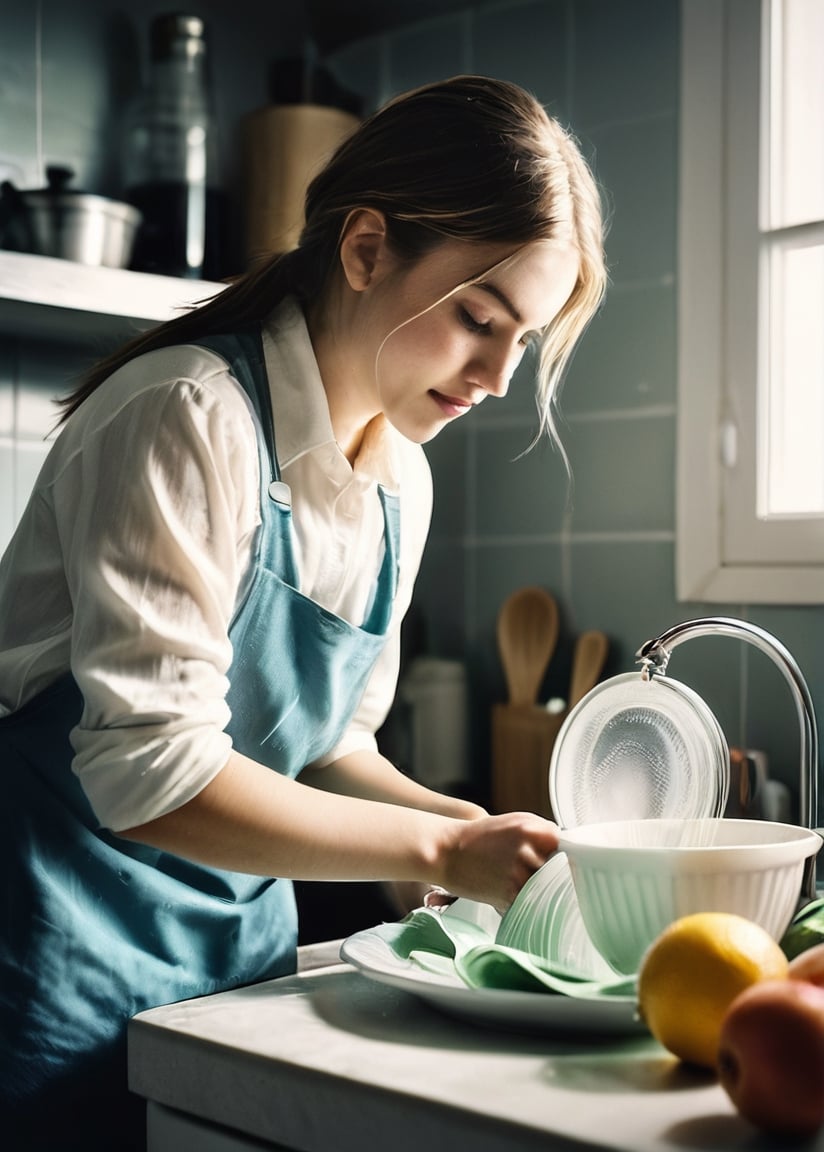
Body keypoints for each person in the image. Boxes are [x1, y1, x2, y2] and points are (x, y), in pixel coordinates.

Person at [0, 75, 606, 1149]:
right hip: (50, 962)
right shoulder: (188, 415)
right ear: (365, 249)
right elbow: (154, 774)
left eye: (525, 340)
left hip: (233, 971)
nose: (499, 377)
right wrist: (434, 852)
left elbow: (326, 748)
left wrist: (474, 836)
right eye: (478, 318)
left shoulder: (396, 478)